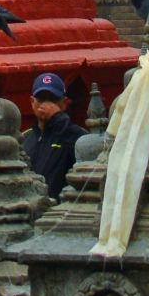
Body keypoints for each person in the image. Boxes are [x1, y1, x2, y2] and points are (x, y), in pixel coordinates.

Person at [23, 72, 87, 201]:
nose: (46, 105)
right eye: (41, 99)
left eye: (52, 99)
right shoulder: (26, 137)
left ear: (63, 103)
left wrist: (58, 118)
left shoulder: (74, 135)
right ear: (32, 102)